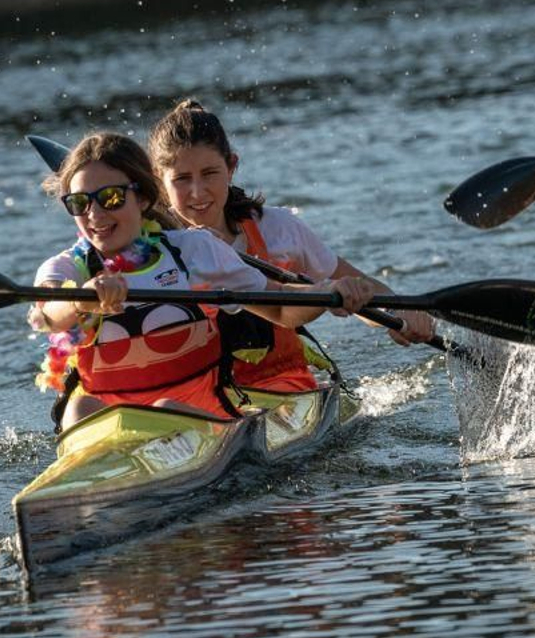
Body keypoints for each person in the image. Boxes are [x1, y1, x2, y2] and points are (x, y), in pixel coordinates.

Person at [29, 131, 377, 431]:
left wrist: (326, 292)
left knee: (166, 409)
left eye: (111, 198)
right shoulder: (67, 269)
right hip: (106, 425)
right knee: (78, 409)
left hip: (195, 413)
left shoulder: (193, 250)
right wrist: (82, 300)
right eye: (79, 203)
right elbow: (47, 314)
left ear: (144, 198)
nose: (95, 215)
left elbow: (281, 308)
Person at [148, 99, 436, 393]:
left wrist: (397, 314)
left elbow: (357, 287)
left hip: (280, 383)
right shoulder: (149, 245)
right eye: (182, 179)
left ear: (231, 166)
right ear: (159, 181)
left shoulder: (277, 228)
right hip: (188, 394)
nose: (197, 191)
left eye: (210, 173)